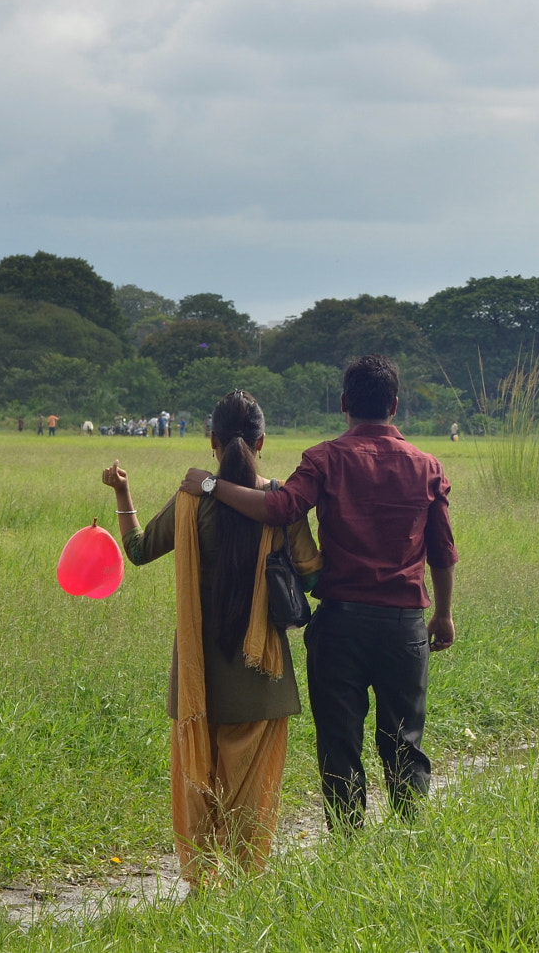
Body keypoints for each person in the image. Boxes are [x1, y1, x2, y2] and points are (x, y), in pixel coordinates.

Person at [185, 354, 456, 830]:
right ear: (395, 404)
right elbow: (442, 551)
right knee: (404, 741)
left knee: (339, 741)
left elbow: (281, 508)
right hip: (404, 626)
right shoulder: (426, 465)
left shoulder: (325, 458)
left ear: (344, 403)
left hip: (341, 624)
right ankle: (414, 839)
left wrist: (210, 484)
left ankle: (347, 850)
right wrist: (444, 614)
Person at [110, 390, 322, 887]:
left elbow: (138, 551)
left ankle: (204, 888)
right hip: (262, 678)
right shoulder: (281, 502)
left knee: (199, 786)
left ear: (212, 440)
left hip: (197, 677)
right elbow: (313, 574)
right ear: (262, 441)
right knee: (253, 798)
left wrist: (122, 492)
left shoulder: (192, 498)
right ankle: (246, 889)